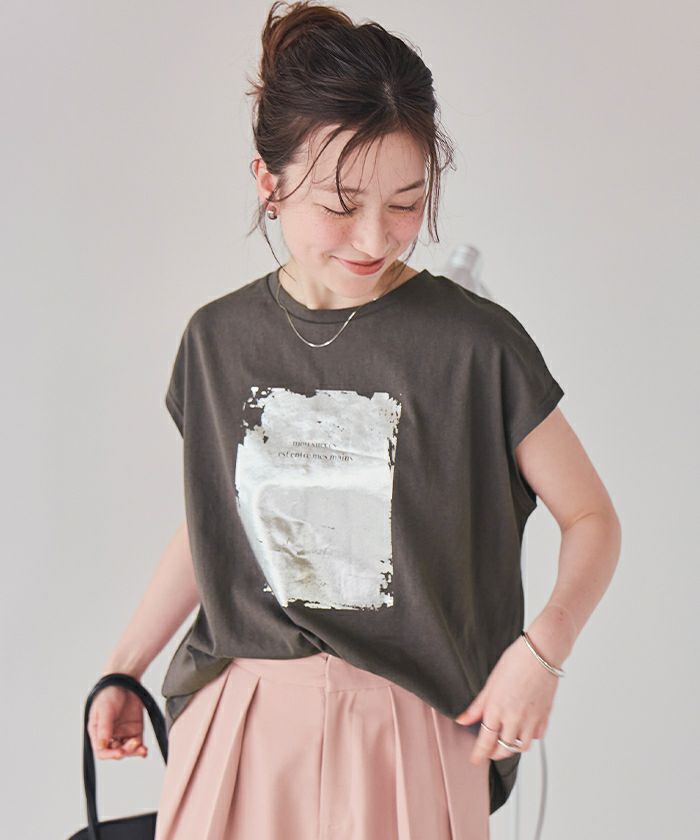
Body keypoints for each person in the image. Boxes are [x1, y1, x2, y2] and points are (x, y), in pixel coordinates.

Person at [87, 2, 622, 838]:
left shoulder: (473, 346)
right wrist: (124, 666)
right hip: (241, 720)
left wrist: (542, 653)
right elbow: (218, 524)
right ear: (268, 183)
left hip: (413, 729)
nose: (375, 237)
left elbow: (591, 518)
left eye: (407, 202)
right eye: (340, 204)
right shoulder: (218, 341)